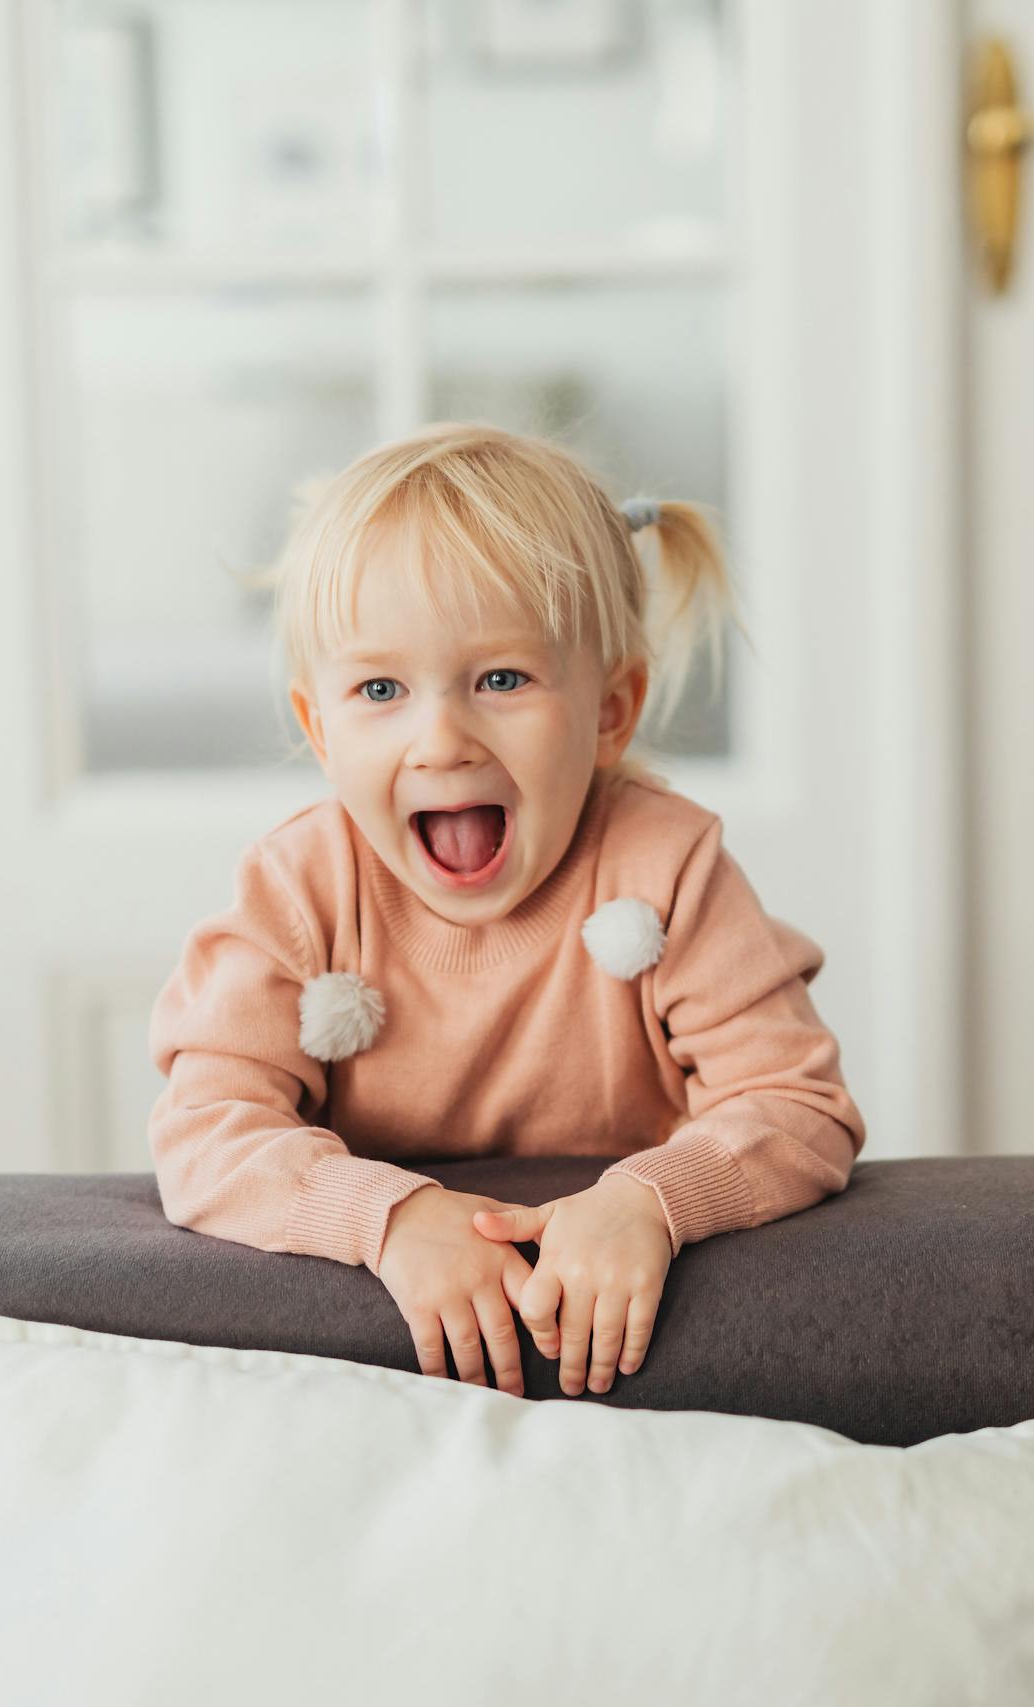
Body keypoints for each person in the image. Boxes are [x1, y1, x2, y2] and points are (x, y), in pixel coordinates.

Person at [145, 421, 865, 1403]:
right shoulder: (300, 888)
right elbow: (204, 1130)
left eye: (501, 680)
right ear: (318, 726)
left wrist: (650, 1200)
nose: (441, 739)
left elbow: (798, 1108)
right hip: (387, 1365)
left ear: (611, 710)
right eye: (381, 688)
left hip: (628, 1362)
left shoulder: (665, 867)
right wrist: (388, 1217)